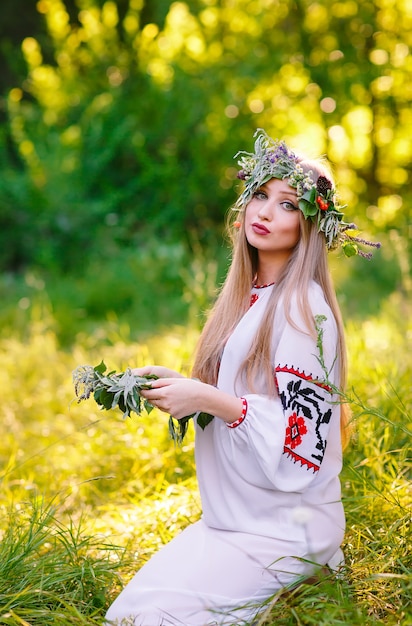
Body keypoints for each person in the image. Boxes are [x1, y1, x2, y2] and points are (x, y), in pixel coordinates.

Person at [105, 129, 379, 626]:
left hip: (283, 529)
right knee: (128, 613)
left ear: (310, 226)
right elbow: (239, 393)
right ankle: (303, 578)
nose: (265, 211)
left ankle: (311, 566)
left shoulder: (303, 311)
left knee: (153, 618)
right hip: (234, 523)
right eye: (259, 194)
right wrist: (182, 386)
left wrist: (210, 399)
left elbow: (303, 448)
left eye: (288, 204)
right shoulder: (248, 298)